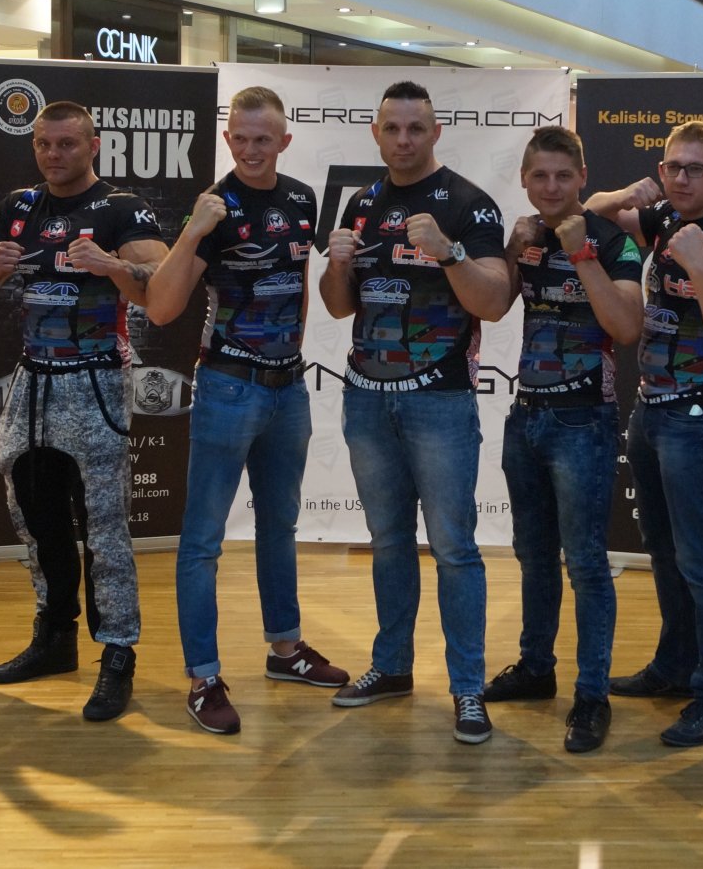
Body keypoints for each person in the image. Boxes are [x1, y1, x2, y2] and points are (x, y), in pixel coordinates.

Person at [145, 86, 348, 735]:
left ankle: (285, 649)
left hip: (288, 388)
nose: (252, 150)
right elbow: (161, 308)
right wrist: (193, 231)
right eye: (241, 138)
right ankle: (203, 677)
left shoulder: (301, 198)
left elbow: (299, 290)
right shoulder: (212, 205)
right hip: (228, 387)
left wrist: (290, 358)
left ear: (284, 141)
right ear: (227, 138)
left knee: (279, 524)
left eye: (264, 139)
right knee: (203, 539)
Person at [0, 100, 167, 722]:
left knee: (103, 528)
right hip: (33, 379)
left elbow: (162, 286)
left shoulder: (122, 208)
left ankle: (118, 651)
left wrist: (114, 265)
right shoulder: (17, 207)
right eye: (44, 144)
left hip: (97, 377)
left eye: (67, 143)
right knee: (35, 515)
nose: (54, 154)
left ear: (93, 145)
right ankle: (54, 637)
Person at [318, 80, 511, 744]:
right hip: (366, 396)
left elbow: (494, 302)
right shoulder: (362, 203)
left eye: (415, 128)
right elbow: (339, 305)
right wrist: (336, 266)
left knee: (454, 547)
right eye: (392, 128)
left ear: (436, 132)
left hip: (440, 399)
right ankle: (392, 666)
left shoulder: (468, 204)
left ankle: (468, 688)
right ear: (376, 133)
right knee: (389, 541)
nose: (403, 139)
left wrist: (449, 251)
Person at [585, 121, 703, 748]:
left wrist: (698, 263)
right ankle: (675, 666)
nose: (682, 178)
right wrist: (622, 196)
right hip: (651, 409)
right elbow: (585, 216)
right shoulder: (661, 215)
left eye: (695, 168)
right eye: (672, 167)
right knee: (662, 550)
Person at [484, 126, 642, 753]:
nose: (551, 187)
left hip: (584, 420)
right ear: (525, 180)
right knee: (532, 555)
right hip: (526, 415)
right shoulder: (525, 237)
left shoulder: (611, 240)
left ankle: (593, 694)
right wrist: (510, 246)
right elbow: (494, 307)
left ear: (583, 178)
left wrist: (582, 254)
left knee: (586, 563)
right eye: (540, 176)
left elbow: (625, 325)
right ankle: (536, 667)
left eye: (563, 176)